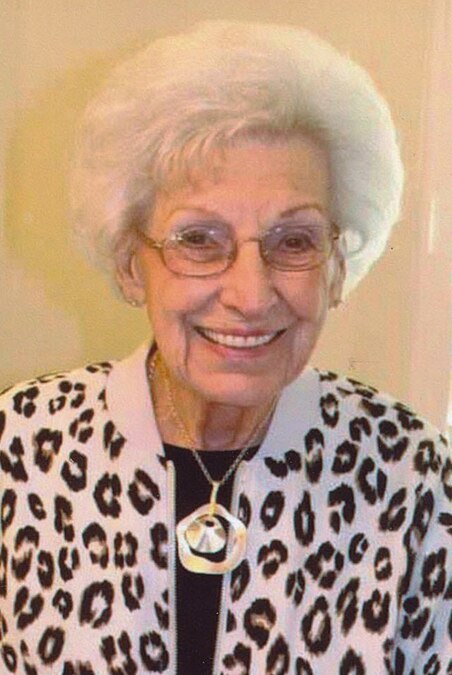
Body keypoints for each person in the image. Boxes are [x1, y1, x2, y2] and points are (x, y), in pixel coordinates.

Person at [0, 20, 450, 675]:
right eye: (199, 240)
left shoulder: (411, 474)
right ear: (130, 263)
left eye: (294, 242)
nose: (251, 294)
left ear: (337, 268)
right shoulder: (18, 452)